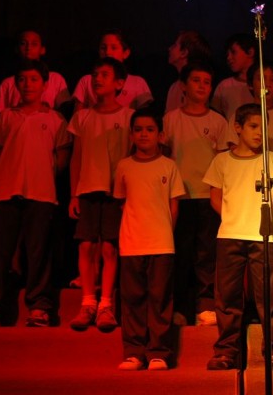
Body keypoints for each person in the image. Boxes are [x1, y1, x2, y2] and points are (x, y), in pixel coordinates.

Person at [0, 60, 72, 327]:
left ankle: (39, 305)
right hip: (5, 190)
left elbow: (62, 156)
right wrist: (12, 172)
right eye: (22, 79)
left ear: (44, 84)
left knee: (38, 250)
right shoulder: (6, 117)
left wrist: (41, 174)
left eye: (33, 79)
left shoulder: (55, 119)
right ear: (16, 84)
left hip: (41, 193)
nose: (28, 84)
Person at [204, 104, 273, 371]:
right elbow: (215, 197)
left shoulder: (272, 160)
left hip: (264, 236)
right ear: (238, 128)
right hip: (230, 234)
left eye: (263, 127)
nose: (259, 133)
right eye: (253, 126)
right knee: (228, 295)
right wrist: (233, 217)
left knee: (268, 295)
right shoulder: (222, 161)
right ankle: (226, 350)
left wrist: (267, 221)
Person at [114, 108, 185, 371]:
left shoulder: (168, 166)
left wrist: (164, 232)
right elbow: (123, 202)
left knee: (159, 298)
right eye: (139, 130)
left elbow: (174, 207)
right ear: (131, 135)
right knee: (132, 299)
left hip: (161, 243)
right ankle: (134, 352)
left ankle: (158, 352)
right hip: (131, 242)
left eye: (150, 129)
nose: (144, 134)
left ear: (160, 135)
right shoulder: (124, 166)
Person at [67, 57, 133, 332]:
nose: (97, 79)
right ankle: (87, 302)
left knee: (109, 247)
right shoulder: (82, 116)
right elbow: (76, 157)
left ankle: (106, 304)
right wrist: (73, 195)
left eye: (104, 74)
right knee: (86, 245)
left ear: (119, 83)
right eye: (95, 74)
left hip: (115, 192)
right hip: (87, 189)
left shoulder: (128, 116)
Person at [163, 61, 229, 326]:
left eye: (207, 82)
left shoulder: (218, 121)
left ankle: (205, 305)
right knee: (180, 253)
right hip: (179, 197)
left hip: (207, 195)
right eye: (196, 80)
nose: (202, 86)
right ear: (183, 86)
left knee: (206, 253)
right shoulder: (170, 120)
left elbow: (223, 163)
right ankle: (179, 307)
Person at [224, 60, 273, 162]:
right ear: (250, 84)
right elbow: (234, 150)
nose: (267, 84)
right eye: (261, 79)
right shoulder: (240, 115)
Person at [0, 30, 71, 114]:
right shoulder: (7, 83)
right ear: (17, 49)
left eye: (34, 44)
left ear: (42, 49)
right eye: (23, 43)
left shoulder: (55, 79)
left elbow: (64, 111)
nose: (28, 48)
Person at [73, 29, 153, 111]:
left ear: (126, 53)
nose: (108, 52)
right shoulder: (86, 81)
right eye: (103, 48)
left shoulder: (138, 83)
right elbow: (77, 116)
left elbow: (145, 116)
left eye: (114, 48)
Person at [164, 30, 212, 114]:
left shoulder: (196, 87)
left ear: (183, 53)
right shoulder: (174, 87)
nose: (169, 48)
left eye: (175, 45)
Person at [211, 33, 257, 120]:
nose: (228, 58)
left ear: (250, 52)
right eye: (227, 54)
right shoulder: (224, 86)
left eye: (233, 52)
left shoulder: (265, 83)